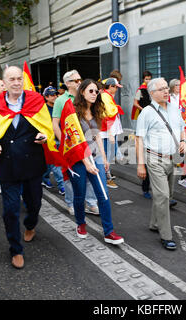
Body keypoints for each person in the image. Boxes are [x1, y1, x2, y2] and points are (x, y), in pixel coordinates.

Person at [0, 66, 57, 269]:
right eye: (12, 79)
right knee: (10, 210)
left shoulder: (35, 100)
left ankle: (31, 225)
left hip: (32, 162)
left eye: (19, 79)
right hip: (7, 165)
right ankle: (15, 249)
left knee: (34, 204)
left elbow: (46, 128)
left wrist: (44, 137)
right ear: (4, 83)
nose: (16, 82)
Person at [69, 79, 124, 245]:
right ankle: (81, 224)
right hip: (78, 160)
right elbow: (74, 140)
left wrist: (104, 158)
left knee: (103, 195)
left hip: (95, 158)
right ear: (82, 92)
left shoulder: (96, 111)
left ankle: (109, 232)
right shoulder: (73, 112)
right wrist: (87, 163)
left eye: (96, 91)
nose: (94, 94)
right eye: (91, 91)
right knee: (79, 195)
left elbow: (97, 135)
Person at [136, 78, 186, 250]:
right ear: (152, 93)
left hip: (172, 158)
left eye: (167, 88)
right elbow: (139, 140)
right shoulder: (146, 113)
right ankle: (166, 236)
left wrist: (183, 141)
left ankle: (154, 223)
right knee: (163, 196)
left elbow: (182, 128)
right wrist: (140, 164)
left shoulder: (174, 108)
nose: (166, 91)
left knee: (166, 195)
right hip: (154, 158)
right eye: (161, 89)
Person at [52, 70, 99, 215]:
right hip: (70, 145)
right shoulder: (61, 100)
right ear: (67, 84)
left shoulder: (86, 97)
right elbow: (55, 124)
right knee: (71, 175)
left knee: (91, 172)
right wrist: (65, 143)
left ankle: (91, 203)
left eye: (80, 80)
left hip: (88, 143)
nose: (79, 82)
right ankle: (71, 203)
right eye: (75, 80)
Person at [41, 86, 66, 196]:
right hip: (50, 140)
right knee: (56, 165)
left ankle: (44, 177)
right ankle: (62, 186)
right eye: (51, 95)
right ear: (46, 97)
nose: (54, 96)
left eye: (55, 94)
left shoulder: (60, 106)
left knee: (52, 164)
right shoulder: (43, 109)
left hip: (61, 138)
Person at [100, 77, 124, 189]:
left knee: (108, 154)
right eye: (116, 87)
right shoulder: (105, 96)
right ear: (111, 87)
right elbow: (108, 115)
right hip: (106, 131)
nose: (117, 89)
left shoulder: (106, 95)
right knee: (107, 154)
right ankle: (106, 177)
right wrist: (110, 133)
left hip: (108, 131)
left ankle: (106, 175)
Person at [133, 70, 153, 199]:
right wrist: (144, 109)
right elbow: (135, 103)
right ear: (143, 79)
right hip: (144, 119)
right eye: (146, 79)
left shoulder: (154, 89)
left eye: (150, 78)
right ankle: (145, 189)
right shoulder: (140, 90)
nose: (148, 81)